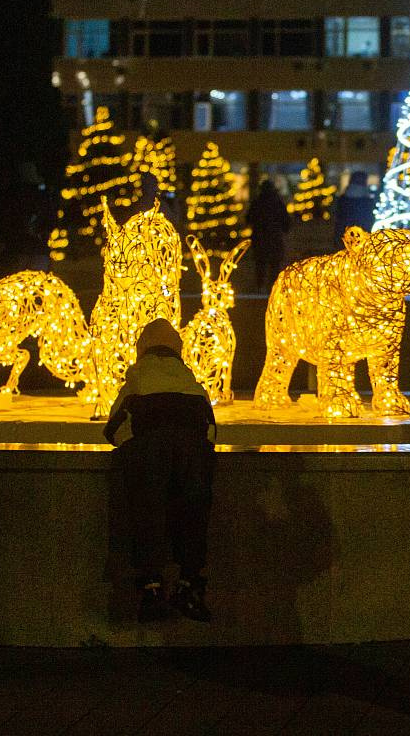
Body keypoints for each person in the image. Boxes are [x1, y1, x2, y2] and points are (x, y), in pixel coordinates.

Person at [104, 319, 218, 623]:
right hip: (193, 455)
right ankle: (190, 584)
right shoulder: (193, 385)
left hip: (148, 454)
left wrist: (134, 447)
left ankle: (151, 588)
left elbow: (113, 429)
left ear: (141, 348)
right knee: (194, 515)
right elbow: (211, 430)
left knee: (146, 513)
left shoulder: (137, 381)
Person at [246, 177, 291, 291]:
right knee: (274, 265)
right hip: (275, 238)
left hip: (260, 239)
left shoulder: (257, 202)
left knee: (260, 265)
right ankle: (272, 287)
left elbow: (249, 219)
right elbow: (286, 222)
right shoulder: (278, 203)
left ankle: (260, 286)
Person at [332, 170, 378, 236]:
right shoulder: (367, 200)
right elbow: (369, 219)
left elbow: (338, 217)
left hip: (344, 234)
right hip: (362, 235)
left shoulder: (343, 199)